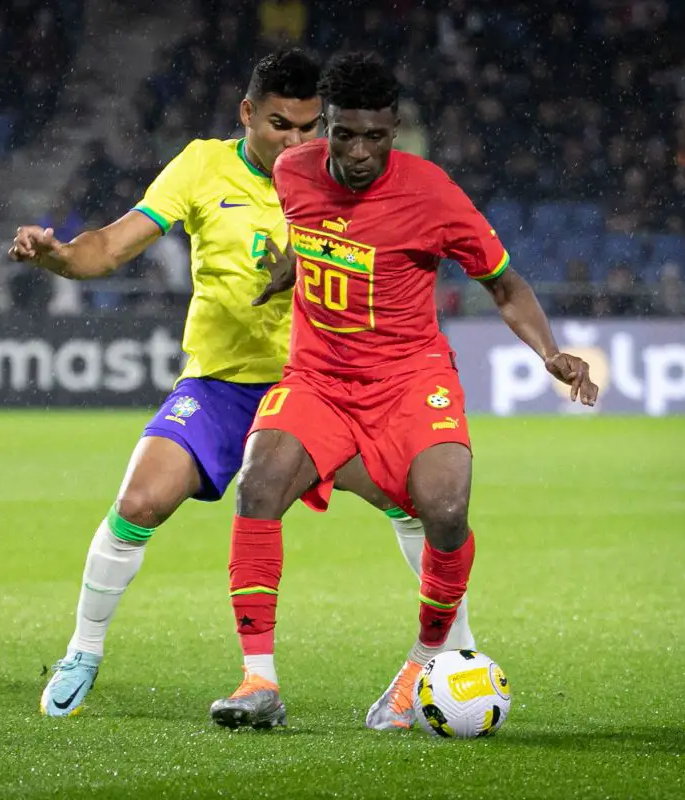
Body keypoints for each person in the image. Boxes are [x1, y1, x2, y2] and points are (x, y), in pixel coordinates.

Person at [7, 48, 474, 718]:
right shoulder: (202, 165)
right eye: (282, 125)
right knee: (139, 500)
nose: (298, 141)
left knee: (427, 509)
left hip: (320, 385)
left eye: (312, 127)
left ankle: (456, 654)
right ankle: (84, 649)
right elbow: (110, 246)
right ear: (247, 114)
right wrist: (56, 256)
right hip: (223, 385)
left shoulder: (340, 177)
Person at [208, 52, 598, 732]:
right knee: (258, 483)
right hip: (319, 379)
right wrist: (288, 273)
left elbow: (504, 285)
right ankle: (257, 681)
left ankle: (420, 666)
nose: (360, 153)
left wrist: (550, 353)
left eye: (377, 137)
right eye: (346, 134)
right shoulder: (291, 170)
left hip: (411, 379)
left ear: (396, 130)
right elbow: (315, 231)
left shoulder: (433, 194)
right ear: (323, 126)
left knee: (446, 508)